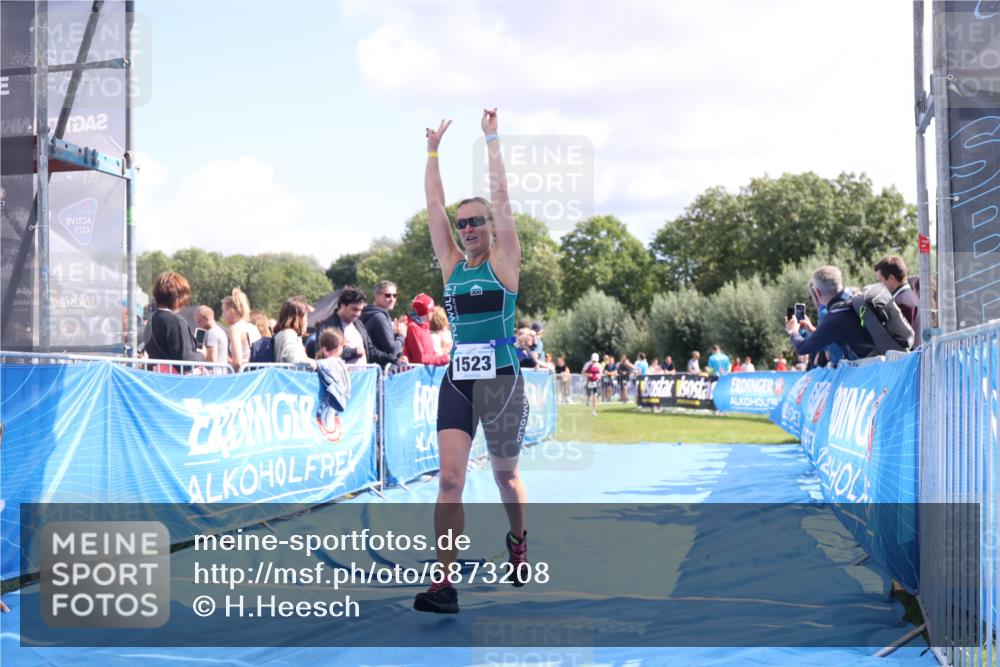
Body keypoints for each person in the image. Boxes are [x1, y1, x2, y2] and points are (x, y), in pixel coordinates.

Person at [414, 111, 531, 614]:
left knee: (506, 478)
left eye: (474, 222)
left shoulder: (505, 262)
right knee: (449, 480)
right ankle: (443, 582)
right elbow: (432, 205)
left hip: (502, 380)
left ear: (491, 228)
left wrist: (492, 139)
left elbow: (501, 197)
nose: (465, 229)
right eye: (460, 224)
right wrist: (433, 151)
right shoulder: (452, 266)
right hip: (460, 379)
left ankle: (518, 540)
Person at [786, 265, 876, 362]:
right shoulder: (855, 298)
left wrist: (793, 331)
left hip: (868, 367)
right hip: (882, 359)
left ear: (817, 292)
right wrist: (811, 329)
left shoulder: (834, 317)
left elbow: (802, 348)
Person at [314, 287, 388, 367]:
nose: (357, 313)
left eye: (360, 310)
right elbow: (322, 353)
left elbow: (371, 351)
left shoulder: (359, 324)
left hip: (364, 373)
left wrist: (392, 359)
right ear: (342, 305)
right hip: (340, 373)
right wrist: (354, 352)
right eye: (354, 309)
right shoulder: (326, 327)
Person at [145, 272, 205, 367]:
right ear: (177, 297)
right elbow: (185, 360)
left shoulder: (151, 320)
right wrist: (201, 354)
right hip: (173, 375)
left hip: (155, 374)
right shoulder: (175, 321)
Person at [874, 255, 921, 344]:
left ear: (891, 278)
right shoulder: (910, 297)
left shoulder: (901, 303)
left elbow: (902, 340)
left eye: (880, 280)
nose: (880, 285)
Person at [315, 329, 351, 440]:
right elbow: (322, 365)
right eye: (341, 346)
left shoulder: (339, 364)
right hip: (326, 406)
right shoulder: (325, 363)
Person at [361, 280, 406, 364]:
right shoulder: (379, 317)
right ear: (376, 296)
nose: (392, 299)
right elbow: (392, 351)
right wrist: (401, 335)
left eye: (395, 296)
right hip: (379, 368)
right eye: (388, 295)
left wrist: (395, 334)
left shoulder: (373, 314)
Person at [404, 293, 451, 366]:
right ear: (427, 311)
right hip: (417, 372)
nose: (433, 312)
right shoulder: (413, 327)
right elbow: (420, 359)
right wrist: (444, 359)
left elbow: (430, 354)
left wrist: (443, 356)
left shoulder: (424, 326)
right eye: (432, 309)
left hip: (425, 371)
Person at [222, 288, 261, 372]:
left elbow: (237, 363)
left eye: (224, 311)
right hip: (255, 373)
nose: (223, 315)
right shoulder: (253, 327)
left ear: (231, 311)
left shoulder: (234, 329)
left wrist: (227, 367)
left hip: (242, 375)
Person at [273, 297, 316, 368]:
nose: (307, 320)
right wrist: (310, 362)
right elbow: (292, 357)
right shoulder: (289, 334)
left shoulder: (285, 333)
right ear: (298, 317)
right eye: (306, 316)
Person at [194, 305, 228, 369]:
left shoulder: (211, 333)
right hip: (221, 372)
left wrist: (200, 353)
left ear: (207, 318)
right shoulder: (220, 331)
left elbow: (211, 361)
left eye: (199, 321)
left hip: (214, 373)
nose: (198, 325)